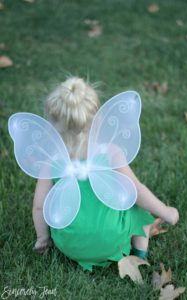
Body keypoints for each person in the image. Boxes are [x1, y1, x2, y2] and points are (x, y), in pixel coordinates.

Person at [32, 77, 179, 271]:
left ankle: (74, 245)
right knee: (137, 205)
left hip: (70, 245)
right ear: (99, 118)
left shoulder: (51, 161)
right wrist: (165, 212)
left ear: (52, 124)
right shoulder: (110, 152)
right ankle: (140, 252)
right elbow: (137, 190)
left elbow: (40, 207)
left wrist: (43, 238)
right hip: (113, 239)